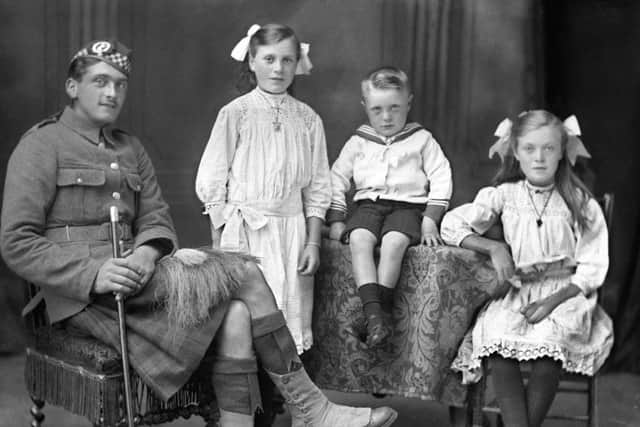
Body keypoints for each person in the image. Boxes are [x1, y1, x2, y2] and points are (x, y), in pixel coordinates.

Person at [0, 39, 397, 427]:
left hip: (139, 278)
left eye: (120, 84)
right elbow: (17, 242)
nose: (112, 92)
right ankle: (312, 408)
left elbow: (156, 219)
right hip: (81, 298)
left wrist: (145, 254)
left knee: (239, 314)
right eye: (99, 82)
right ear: (73, 87)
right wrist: (93, 274)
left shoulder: (129, 148)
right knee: (243, 272)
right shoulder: (41, 145)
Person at [440, 110, 613, 427]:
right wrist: (493, 247)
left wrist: (552, 301)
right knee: (497, 338)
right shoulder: (504, 196)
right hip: (518, 291)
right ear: (515, 152)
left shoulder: (579, 202)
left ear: (562, 151)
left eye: (548, 148)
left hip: (566, 294)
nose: (539, 158)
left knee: (549, 344)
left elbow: (592, 265)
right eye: (530, 148)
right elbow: (452, 225)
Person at [195, 23, 331, 354]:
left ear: (297, 64)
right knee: (243, 315)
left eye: (287, 60)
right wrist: (222, 240)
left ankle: (280, 399)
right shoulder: (235, 113)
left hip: (292, 235)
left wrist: (312, 242)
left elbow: (317, 189)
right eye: (269, 59)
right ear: (252, 61)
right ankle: (242, 398)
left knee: (286, 319)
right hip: (245, 233)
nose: (278, 68)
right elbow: (212, 178)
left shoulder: (309, 120)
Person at [326, 66, 452, 346]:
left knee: (394, 243)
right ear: (365, 107)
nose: (386, 117)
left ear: (408, 102)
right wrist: (337, 219)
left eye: (395, 107)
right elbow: (336, 179)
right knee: (359, 239)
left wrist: (430, 218)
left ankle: (375, 314)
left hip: (407, 208)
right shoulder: (358, 142)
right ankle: (375, 317)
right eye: (377, 109)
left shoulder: (421, 140)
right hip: (368, 207)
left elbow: (442, 176)